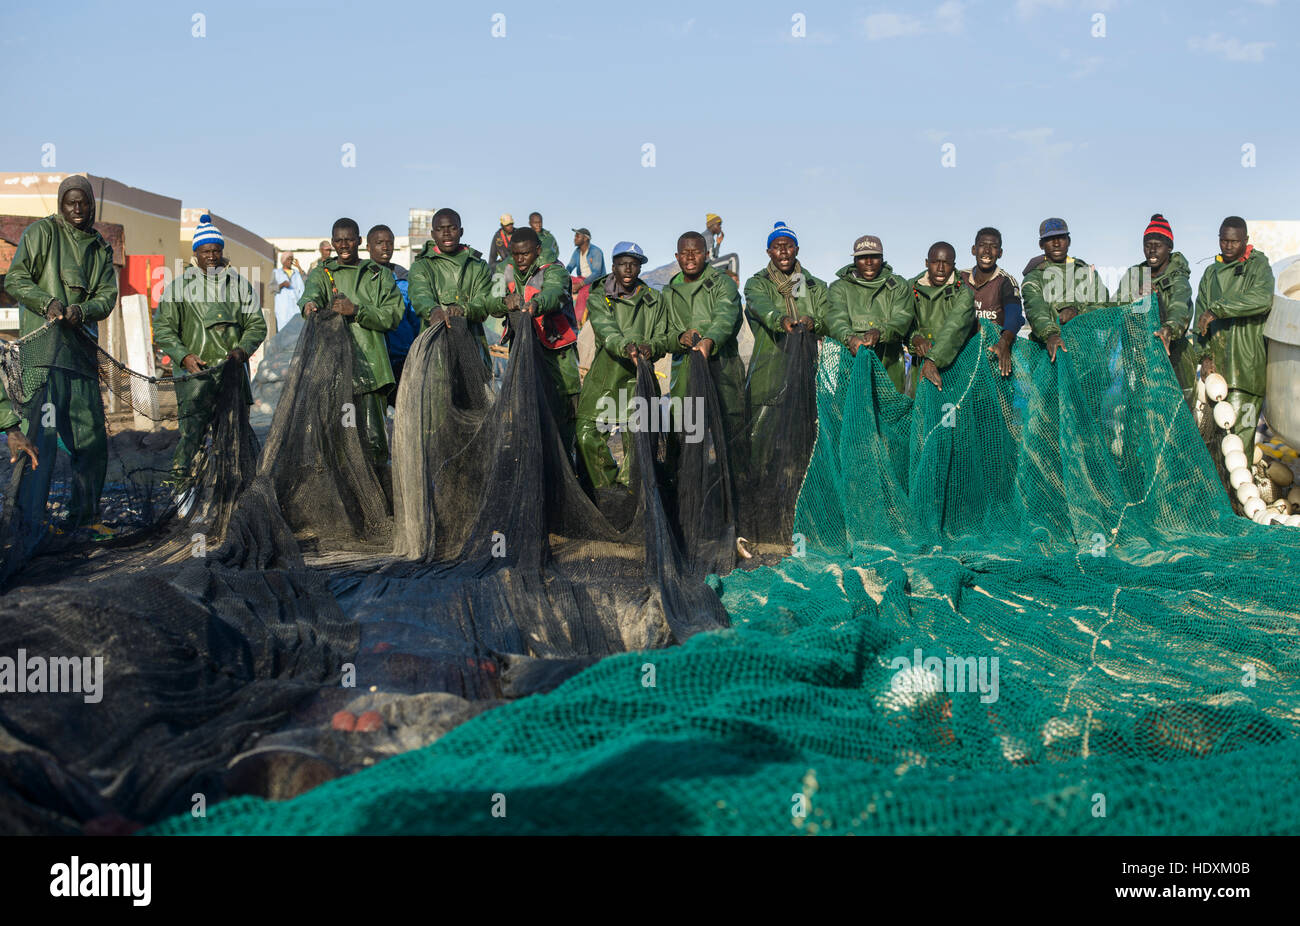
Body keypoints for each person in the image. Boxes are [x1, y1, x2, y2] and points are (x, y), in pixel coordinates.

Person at [3, 175, 116, 538]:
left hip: (80, 355)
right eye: (70, 202)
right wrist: (47, 303)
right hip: (43, 357)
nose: (77, 209)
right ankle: (29, 524)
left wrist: (81, 312)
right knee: (42, 439)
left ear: (91, 204)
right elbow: (15, 279)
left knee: (91, 439)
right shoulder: (40, 234)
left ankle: (85, 517)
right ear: (60, 204)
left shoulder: (99, 247)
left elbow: (106, 297)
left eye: (83, 202)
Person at [153, 215, 266, 485]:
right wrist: (184, 356)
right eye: (206, 251)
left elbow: (256, 325)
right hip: (195, 379)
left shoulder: (239, 285)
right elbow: (164, 329)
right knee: (191, 438)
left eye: (216, 250)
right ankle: (181, 491)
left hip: (232, 377)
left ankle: (231, 493)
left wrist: (242, 350)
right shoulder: (179, 288)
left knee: (233, 440)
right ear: (196, 253)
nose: (212, 256)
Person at [299, 217, 403, 475]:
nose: (344, 245)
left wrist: (356, 310)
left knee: (374, 439)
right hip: (335, 373)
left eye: (349, 239)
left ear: (359, 242)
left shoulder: (378, 275)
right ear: (332, 242)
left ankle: (377, 497)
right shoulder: (322, 273)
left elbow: (393, 315)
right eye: (338, 240)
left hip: (372, 373)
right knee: (342, 437)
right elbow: (310, 295)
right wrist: (309, 305)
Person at [576, 241, 669, 490]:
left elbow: (662, 337)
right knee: (585, 433)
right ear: (613, 265)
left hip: (640, 379)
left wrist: (653, 347)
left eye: (634, 265)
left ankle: (630, 496)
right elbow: (607, 331)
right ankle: (608, 489)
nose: (628, 270)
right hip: (605, 375)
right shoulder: (598, 297)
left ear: (639, 268)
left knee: (637, 448)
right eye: (622, 264)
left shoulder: (654, 299)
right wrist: (626, 347)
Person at [484, 226, 581, 459]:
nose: (520, 260)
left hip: (556, 350)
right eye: (515, 254)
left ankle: (569, 464)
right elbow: (490, 302)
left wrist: (536, 303)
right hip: (524, 348)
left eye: (525, 254)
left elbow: (555, 294)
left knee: (565, 408)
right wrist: (505, 303)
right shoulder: (506, 270)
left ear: (537, 250)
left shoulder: (554, 270)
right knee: (527, 408)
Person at [742, 222, 828, 468]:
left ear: (797, 249)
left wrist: (815, 322)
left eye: (788, 246)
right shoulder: (757, 283)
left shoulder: (812, 286)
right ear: (768, 251)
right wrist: (781, 321)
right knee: (761, 443)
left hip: (807, 375)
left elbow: (826, 316)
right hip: (768, 374)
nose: (783, 252)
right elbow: (761, 306)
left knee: (805, 444)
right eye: (777, 247)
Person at [662, 230, 746, 474]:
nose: (690, 257)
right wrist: (679, 338)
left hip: (724, 371)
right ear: (676, 256)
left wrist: (709, 340)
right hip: (685, 376)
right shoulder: (667, 294)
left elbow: (726, 316)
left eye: (696, 252)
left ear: (707, 254)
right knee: (688, 435)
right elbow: (661, 335)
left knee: (731, 434)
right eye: (685, 252)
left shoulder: (723, 284)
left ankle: (736, 486)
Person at [1192, 216, 1274, 460]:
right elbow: (1200, 317)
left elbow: (1262, 299)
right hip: (1217, 371)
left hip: (1246, 368)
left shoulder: (1259, 266)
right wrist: (1204, 357)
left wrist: (1219, 309)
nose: (1227, 246)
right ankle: (1221, 495)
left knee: (1239, 442)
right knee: (1216, 441)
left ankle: (1236, 498)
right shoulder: (1210, 273)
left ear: (1245, 240)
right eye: (1223, 240)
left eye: (1233, 242)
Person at [1114, 214, 1195, 408]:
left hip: (1173, 361)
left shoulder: (1178, 279)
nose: (1151, 249)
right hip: (1138, 361)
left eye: (1157, 245)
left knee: (1176, 418)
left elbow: (1180, 307)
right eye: (1147, 244)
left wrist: (1168, 329)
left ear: (1169, 247)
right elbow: (1115, 306)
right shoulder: (1134, 275)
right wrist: (1135, 299)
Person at [824, 234, 915, 393]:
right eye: (862, 257)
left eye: (874, 257)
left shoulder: (899, 285)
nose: (868, 262)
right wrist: (850, 339)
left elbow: (902, 319)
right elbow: (836, 319)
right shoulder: (839, 287)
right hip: (850, 368)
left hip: (890, 367)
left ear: (882, 258)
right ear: (854, 261)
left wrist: (880, 332)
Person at [408, 207, 494, 369]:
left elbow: (483, 302)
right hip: (433, 351)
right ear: (433, 234)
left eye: (452, 228)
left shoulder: (478, 265)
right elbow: (419, 295)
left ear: (461, 231)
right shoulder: (421, 265)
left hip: (472, 349)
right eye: (440, 229)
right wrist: (433, 311)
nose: (446, 233)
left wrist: (463, 310)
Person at [1022, 217, 1111, 363]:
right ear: (1041, 244)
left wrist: (1078, 312)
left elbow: (1104, 308)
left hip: (1089, 358)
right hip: (1049, 358)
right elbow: (1036, 311)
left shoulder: (1086, 272)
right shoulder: (1033, 278)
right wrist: (1050, 335)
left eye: (1061, 238)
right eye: (1050, 239)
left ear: (1069, 241)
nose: (1056, 244)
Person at [907, 242, 976, 394]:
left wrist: (932, 360)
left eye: (946, 263)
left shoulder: (963, 293)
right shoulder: (910, 288)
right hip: (918, 367)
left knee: (951, 413)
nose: (940, 268)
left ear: (954, 265)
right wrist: (915, 339)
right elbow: (904, 323)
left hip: (955, 368)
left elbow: (954, 328)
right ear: (926, 263)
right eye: (935, 262)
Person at [961, 227, 1023, 378]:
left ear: (1000, 253)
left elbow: (1014, 314)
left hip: (994, 356)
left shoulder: (1006, 281)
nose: (987, 251)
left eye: (994, 247)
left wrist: (1004, 342)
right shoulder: (960, 278)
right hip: (963, 358)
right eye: (982, 245)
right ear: (974, 249)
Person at [366, 224, 420, 394]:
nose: (385, 247)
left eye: (389, 243)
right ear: (368, 247)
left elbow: (415, 320)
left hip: (403, 356)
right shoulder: (360, 278)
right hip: (373, 359)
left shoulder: (404, 278)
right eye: (379, 242)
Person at [565, 227, 605, 326]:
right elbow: (569, 267)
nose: (575, 238)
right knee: (562, 281)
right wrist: (563, 275)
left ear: (586, 238)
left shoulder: (596, 251)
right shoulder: (577, 252)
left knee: (583, 292)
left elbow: (596, 273)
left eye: (577, 236)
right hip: (581, 279)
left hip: (594, 281)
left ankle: (577, 321)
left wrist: (579, 285)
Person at [272, 250, 305, 332]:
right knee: (283, 333)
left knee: (296, 334)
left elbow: (306, 282)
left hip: (295, 310)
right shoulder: (276, 273)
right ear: (283, 261)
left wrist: (299, 267)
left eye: (292, 259)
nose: (291, 261)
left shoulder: (297, 273)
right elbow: (271, 288)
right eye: (289, 259)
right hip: (283, 311)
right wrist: (282, 285)